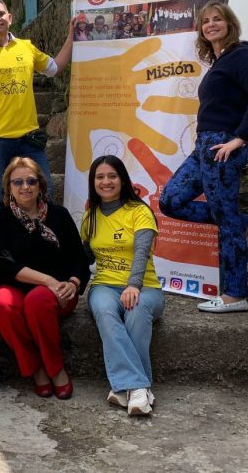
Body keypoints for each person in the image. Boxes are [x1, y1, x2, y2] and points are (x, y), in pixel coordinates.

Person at [159, 0, 248, 313]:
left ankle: (234, 295)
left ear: (229, 24)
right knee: (171, 200)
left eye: (217, 19)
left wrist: (239, 139)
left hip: (222, 145)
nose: (211, 24)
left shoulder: (241, 56)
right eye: (205, 21)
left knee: (225, 222)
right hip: (204, 148)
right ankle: (244, 223)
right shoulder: (220, 61)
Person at [0, 157, 90, 399]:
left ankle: (56, 369)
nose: (25, 187)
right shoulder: (1, 218)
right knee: (1, 304)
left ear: (41, 185)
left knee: (36, 301)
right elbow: (6, 264)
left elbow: (80, 259)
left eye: (31, 181)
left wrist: (73, 283)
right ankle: (37, 368)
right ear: (9, 188)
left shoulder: (59, 215)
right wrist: (47, 280)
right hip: (18, 285)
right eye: (18, 182)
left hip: (59, 292)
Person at [0, 0, 72, 212]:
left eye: (1, 14)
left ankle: (42, 242)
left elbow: (55, 68)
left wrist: (71, 37)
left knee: (45, 192)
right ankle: (0, 245)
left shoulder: (27, 47)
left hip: (29, 138)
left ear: (10, 18)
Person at [82, 155, 164, 417]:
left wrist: (133, 285)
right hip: (104, 285)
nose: (106, 182)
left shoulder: (139, 212)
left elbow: (141, 253)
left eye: (112, 176)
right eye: (100, 177)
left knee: (137, 311)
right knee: (105, 311)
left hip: (145, 286)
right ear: (93, 182)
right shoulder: (90, 216)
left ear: (123, 180)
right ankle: (139, 388)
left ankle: (125, 388)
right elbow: (83, 256)